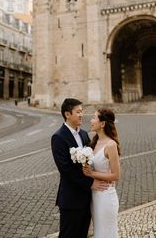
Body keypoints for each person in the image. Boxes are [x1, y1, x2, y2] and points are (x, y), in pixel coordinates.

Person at [51, 98, 109, 238]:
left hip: (86, 198)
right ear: (67, 114)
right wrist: (91, 183)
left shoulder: (84, 134)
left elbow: (91, 160)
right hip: (70, 199)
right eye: (78, 112)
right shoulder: (58, 137)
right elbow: (66, 170)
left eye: (82, 111)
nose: (81, 115)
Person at [83, 108, 121, 238]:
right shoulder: (94, 142)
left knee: (107, 233)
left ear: (103, 124)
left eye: (94, 117)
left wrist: (91, 174)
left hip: (106, 196)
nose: (91, 120)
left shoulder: (111, 145)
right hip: (95, 196)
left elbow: (116, 176)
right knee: (99, 232)